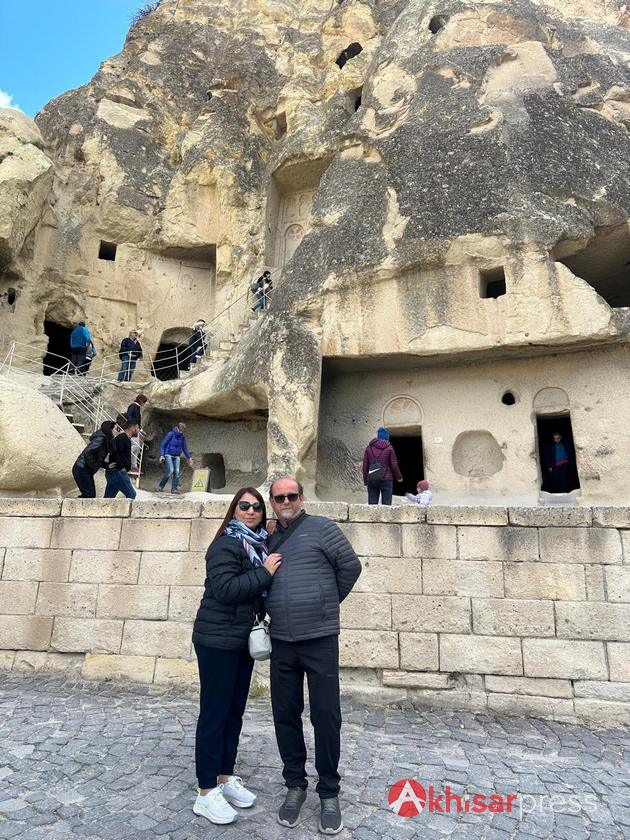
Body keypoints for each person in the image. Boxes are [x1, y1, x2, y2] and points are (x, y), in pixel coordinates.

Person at [265, 476, 361, 835]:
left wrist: (325, 603)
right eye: (279, 497)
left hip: (319, 638)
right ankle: (295, 785)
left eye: (292, 495)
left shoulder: (322, 528)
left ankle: (329, 792)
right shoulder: (268, 538)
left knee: (326, 716)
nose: (286, 502)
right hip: (282, 641)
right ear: (272, 503)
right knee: (285, 714)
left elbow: (350, 567)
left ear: (301, 498)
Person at [192, 488, 282, 825]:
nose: (251, 510)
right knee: (214, 714)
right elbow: (226, 589)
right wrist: (265, 573)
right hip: (216, 640)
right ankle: (205, 792)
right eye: (244, 505)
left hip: (241, 640)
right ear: (234, 510)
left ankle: (225, 777)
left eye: (257, 506)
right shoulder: (226, 544)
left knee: (234, 713)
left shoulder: (258, 545)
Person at [71, 420, 116, 498]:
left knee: (90, 495)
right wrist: (93, 465)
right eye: (115, 429)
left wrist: (106, 465)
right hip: (81, 468)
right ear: (110, 429)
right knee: (89, 495)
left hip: (86, 470)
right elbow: (88, 453)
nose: (116, 431)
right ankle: (72, 505)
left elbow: (97, 458)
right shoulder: (101, 439)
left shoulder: (105, 440)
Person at [362, 427, 403, 506]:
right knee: (386, 506)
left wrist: (365, 480)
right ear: (387, 438)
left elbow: (365, 466)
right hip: (386, 479)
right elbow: (394, 465)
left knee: (372, 505)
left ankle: (373, 514)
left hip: (372, 478)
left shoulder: (368, 448)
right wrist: (399, 477)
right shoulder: (389, 448)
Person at [104, 419, 138, 499]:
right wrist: (122, 467)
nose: (138, 430)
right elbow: (114, 453)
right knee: (131, 494)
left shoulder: (124, 438)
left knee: (108, 498)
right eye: (137, 428)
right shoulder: (122, 438)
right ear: (132, 428)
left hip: (114, 472)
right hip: (118, 472)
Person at [157, 422, 193, 494]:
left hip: (177, 456)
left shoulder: (182, 437)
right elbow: (163, 445)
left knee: (177, 472)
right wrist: (162, 455)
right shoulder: (170, 434)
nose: (181, 432)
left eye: (182, 431)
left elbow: (185, 448)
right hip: (168, 454)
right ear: (177, 428)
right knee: (170, 470)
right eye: (180, 431)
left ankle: (174, 489)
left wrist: (189, 457)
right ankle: (160, 486)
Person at [124, 394, 148, 473]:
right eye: (144, 402)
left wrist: (140, 430)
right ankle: (125, 458)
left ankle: (134, 466)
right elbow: (129, 416)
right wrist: (135, 426)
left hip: (135, 430)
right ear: (140, 400)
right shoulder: (133, 406)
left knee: (137, 448)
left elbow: (137, 421)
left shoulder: (137, 407)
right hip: (132, 429)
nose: (144, 403)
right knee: (136, 446)